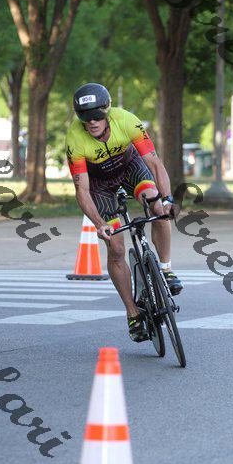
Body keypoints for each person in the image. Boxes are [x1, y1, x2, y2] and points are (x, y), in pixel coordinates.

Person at [66, 82, 183, 342]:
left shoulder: (127, 120)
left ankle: (166, 269)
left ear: (107, 112)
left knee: (157, 207)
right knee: (116, 247)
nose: (92, 122)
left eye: (97, 116)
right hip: (99, 185)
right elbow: (82, 190)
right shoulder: (75, 139)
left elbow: (154, 162)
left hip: (130, 167)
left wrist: (167, 199)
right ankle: (133, 313)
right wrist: (100, 224)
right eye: (86, 118)